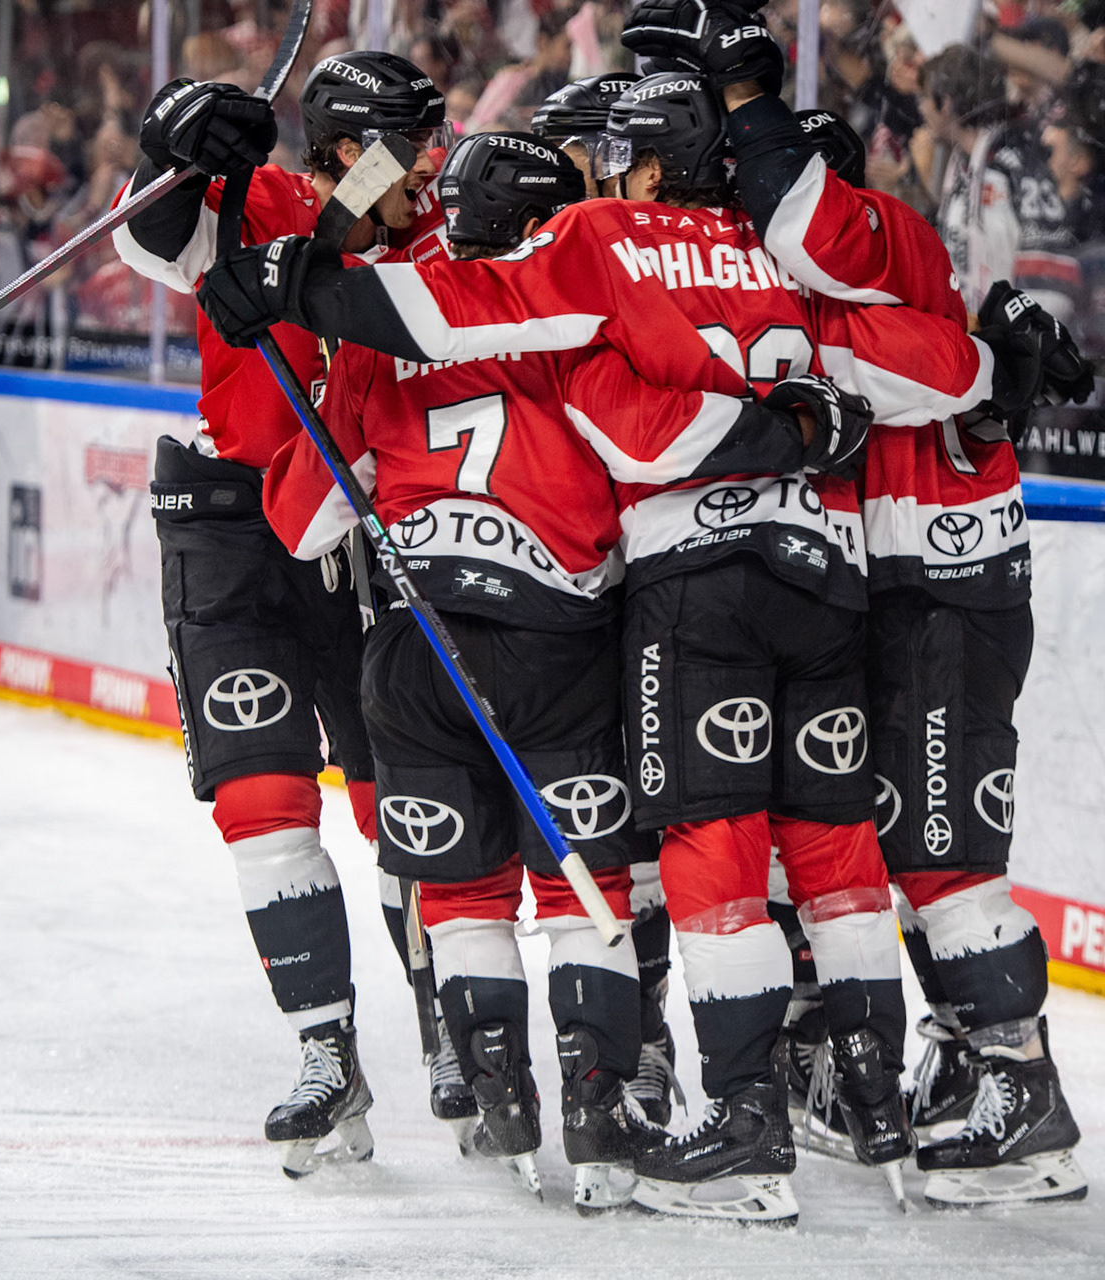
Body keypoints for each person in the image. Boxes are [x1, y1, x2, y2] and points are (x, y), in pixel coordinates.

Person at [200, 66, 1024, 1222]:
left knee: (610, 860)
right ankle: (807, 1092)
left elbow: (327, 496)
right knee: (800, 851)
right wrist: (980, 375)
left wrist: (297, 289)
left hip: (544, 618)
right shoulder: (775, 264)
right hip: (785, 590)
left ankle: (576, 1105)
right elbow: (912, 367)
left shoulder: (572, 266)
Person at [665, 2, 1095, 1208]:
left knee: (948, 855)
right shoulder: (896, 290)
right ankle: (971, 1070)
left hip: (945, 593)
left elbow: (905, 363)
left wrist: (742, 93)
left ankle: (1022, 1091)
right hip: (913, 595)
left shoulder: (879, 263)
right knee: (915, 843)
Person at [264, 132, 687, 1210]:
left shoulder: (384, 322)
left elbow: (305, 519)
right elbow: (646, 459)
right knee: (579, 884)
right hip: (560, 640)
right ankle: (601, 1109)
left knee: (459, 887)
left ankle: (500, 1095)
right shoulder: (575, 318)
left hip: (420, 645)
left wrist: (315, 376)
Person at [110, 53, 453, 1180]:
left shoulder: (424, 217)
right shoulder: (247, 191)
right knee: (261, 793)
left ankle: (449, 1020)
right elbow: (143, 244)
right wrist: (175, 147)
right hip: (229, 517)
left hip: (352, 522)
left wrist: (301, 224)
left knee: (392, 794)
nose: (434, 157)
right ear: (353, 140)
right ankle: (325, 1050)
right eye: (413, 136)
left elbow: (361, 246)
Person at [528, 72, 686, 1132]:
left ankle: (654, 1039)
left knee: (670, 820)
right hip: (592, 572)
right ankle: (630, 1043)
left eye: (578, 152)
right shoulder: (561, 250)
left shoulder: (621, 244)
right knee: (617, 824)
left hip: (660, 565)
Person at [914, 45, 1080, 323]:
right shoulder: (963, 167)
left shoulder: (1011, 164)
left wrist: (1005, 334)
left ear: (946, 103)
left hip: (1017, 349)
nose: (920, 108)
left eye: (924, 98)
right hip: (982, 343)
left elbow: (1054, 290)